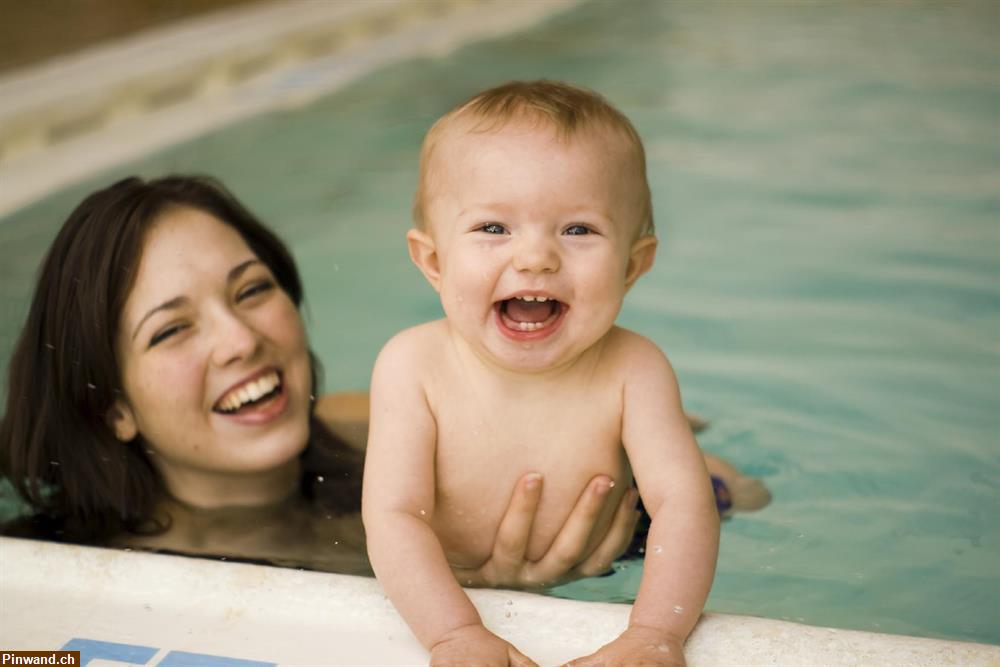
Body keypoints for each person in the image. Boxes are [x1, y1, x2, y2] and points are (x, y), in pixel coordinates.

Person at [0, 175, 645, 587]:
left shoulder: (371, 424)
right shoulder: (56, 576)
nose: (242, 339)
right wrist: (481, 599)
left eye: (252, 290)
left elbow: (721, 473)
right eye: (171, 330)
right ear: (112, 406)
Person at [363, 80, 738, 666]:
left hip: (620, 552)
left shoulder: (634, 368)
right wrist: (455, 632)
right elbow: (393, 516)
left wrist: (653, 635)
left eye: (578, 229)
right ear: (433, 262)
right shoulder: (413, 367)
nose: (536, 257)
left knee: (726, 493)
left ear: (632, 266)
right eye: (494, 228)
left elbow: (683, 508)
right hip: (464, 582)